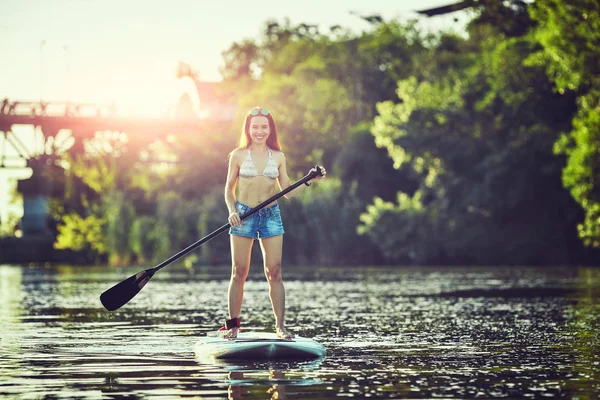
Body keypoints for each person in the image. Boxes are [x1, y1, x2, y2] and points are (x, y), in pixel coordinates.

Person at [223, 106, 326, 339]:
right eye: (255, 127)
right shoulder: (238, 155)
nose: (259, 131)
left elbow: (287, 191)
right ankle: (233, 328)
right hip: (242, 216)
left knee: (275, 272)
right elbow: (228, 189)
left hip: (270, 216)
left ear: (270, 129)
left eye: (264, 127)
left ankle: (280, 327)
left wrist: (309, 180)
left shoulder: (278, 157)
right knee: (238, 272)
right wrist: (231, 210)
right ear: (248, 129)